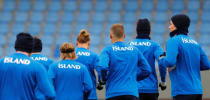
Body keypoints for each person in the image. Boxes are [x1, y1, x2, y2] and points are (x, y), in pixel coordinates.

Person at [159, 14, 210, 100]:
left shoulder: (173, 40)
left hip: (182, 91)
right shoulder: (195, 43)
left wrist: (161, 59)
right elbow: (207, 65)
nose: (169, 27)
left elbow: (170, 62)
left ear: (177, 26)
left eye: (171, 24)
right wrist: (188, 65)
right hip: (197, 91)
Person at [99, 24, 151, 100]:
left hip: (113, 93)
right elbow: (147, 70)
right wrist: (133, 77)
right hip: (131, 93)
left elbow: (103, 67)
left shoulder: (107, 50)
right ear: (124, 35)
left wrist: (104, 79)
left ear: (110, 36)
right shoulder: (135, 50)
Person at [0, 33, 55, 100]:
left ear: (15, 46)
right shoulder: (37, 66)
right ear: (31, 48)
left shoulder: (1, 62)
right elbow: (50, 94)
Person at [129, 18, 167, 100]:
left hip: (132, 89)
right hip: (150, 89)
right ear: (149, 30)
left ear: (137, 30)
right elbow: (162, 62)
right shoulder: (154, 45)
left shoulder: (129, 45)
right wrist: (163, 81)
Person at [75, 29, 102, 100]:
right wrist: (99, 83)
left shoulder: (70, 55)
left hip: (74, 94)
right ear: (89, 43)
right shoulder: (94, 56)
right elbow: (100, 72)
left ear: (77, 43)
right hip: (90, 94)